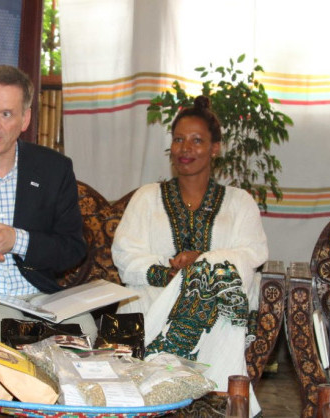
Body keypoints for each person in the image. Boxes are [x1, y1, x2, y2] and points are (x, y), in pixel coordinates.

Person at [111, 95, 268, 417]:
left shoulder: (239, 202)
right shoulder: (147, 197)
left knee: (212, 279)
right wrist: (169, 275)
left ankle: (168, 365)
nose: (186, 148)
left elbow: (252, 254)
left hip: (216, 311)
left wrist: (203, 261)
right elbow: (125, 256)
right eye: (179, 139)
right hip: (151, 299)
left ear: (215, 148)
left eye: (197, 141)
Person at [0, 65, 97, 356]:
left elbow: (72, 248)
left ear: (25, 118)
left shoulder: (54, 169)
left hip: (37, 293)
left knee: (83, 331)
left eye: (6, 114)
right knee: (9, 333)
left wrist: (18, 241)